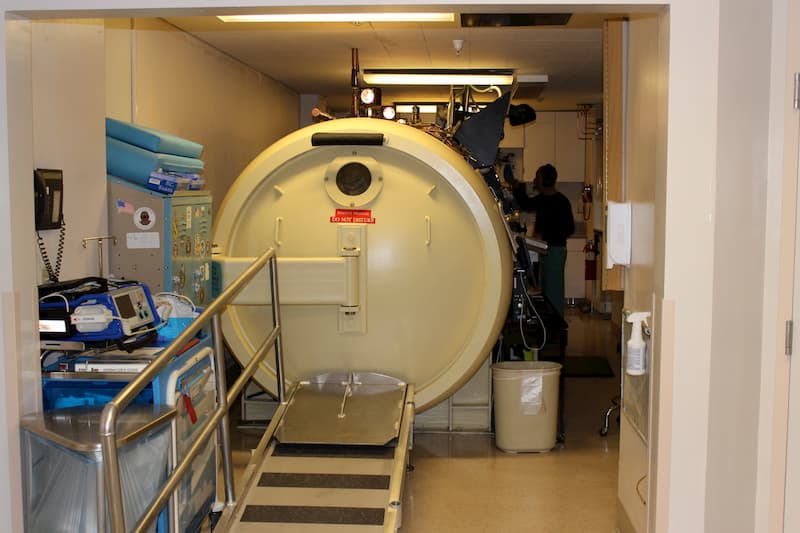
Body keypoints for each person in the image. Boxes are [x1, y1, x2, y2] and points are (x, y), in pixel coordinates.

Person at [511, 163, 575, 317]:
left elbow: (569, 228)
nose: (534, 180)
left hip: (555, 251)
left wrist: (544, 236)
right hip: (547, 251)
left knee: (553, 293)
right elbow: (525, 203)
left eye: (537, 177)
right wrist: (517, 186)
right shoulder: (543, 199)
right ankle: (551, 326)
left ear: (545, 180)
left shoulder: (561, 201)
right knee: (547, 291)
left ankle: (557, 326)